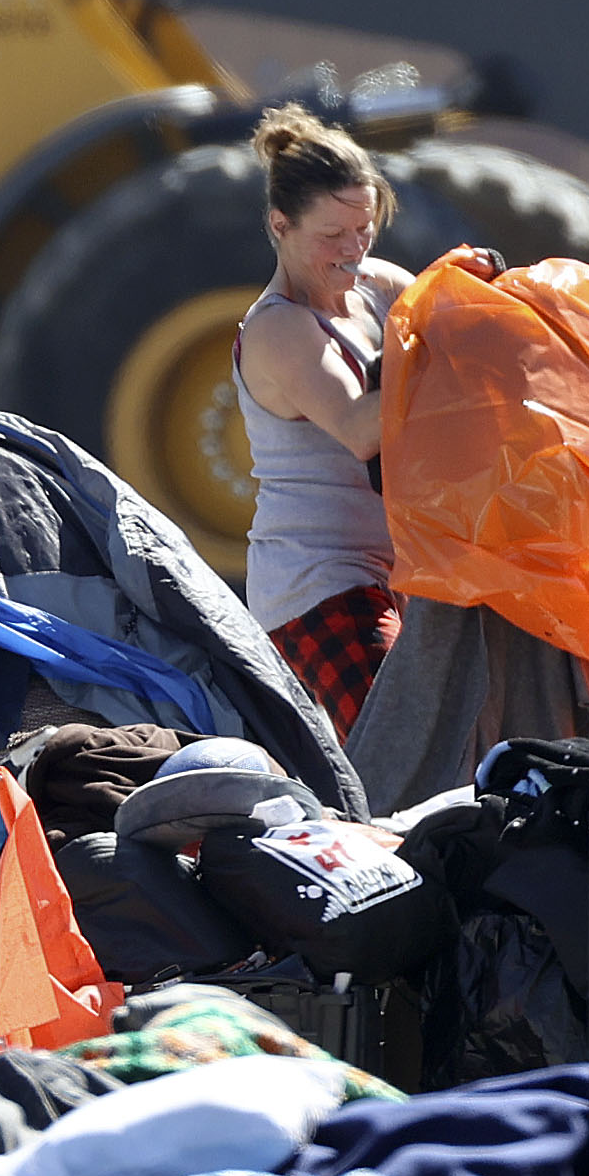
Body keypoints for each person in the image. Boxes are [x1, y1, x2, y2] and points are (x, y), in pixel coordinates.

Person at [233, 106, 416, 737]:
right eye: (332, 235)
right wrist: (421, 347)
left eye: (364, 229)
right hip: (318, 587)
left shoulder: (373, 287)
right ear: (280, 226)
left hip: (391, 573)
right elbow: (363, 428)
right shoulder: (280, 329)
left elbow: (447, 312)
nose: (353, 249)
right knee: (393, 754)